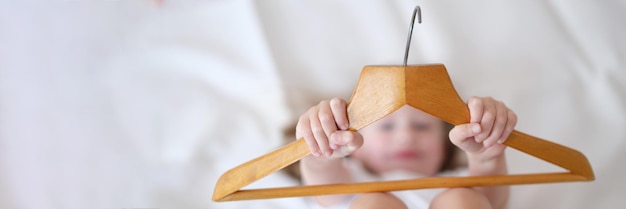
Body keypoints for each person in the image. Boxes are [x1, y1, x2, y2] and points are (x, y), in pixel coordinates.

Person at [295, 97, 517, 209]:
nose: (406, 138)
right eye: (386, 127)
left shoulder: (458, 181)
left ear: (446, 144)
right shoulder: (351, 178)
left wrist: (486, 155)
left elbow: (492, 199)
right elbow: (324, 184)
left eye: (422, 126)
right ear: (352, 143)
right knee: (373, 204)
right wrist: (322, 147)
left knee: (464, 199)